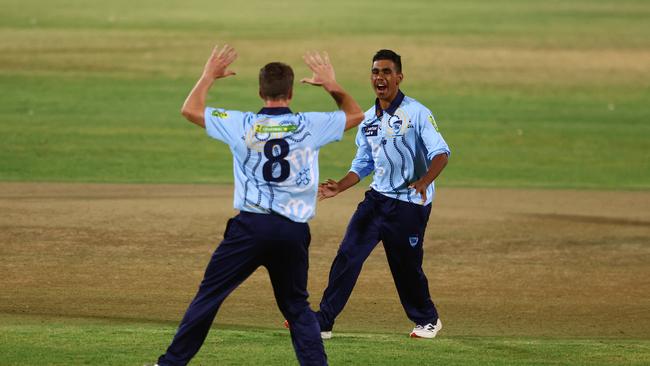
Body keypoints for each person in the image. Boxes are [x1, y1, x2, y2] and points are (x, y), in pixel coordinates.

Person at [155, 44, 364, 366]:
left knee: (209, 297)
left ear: (260, 91)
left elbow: (190, 110)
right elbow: (356, 115)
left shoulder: (241, 123)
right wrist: (332, 85)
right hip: (292, 232)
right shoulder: (310, 125)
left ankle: (170, 364)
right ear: (291, 92)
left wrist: (208, 76)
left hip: (249, 229)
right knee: (297, 308)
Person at [314, 49, 450, 339]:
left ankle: (428, 319)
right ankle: (323, 321)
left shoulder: (417, 113)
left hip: (410, 205)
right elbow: (363, 164)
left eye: (387, 72)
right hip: (376, 201)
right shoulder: (366, 120)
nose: (380, 77)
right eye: (376, 72)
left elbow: (441, 153)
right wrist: (340, 185)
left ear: (399, 77)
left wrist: (425, 181)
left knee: (405, 267)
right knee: (347, 256)